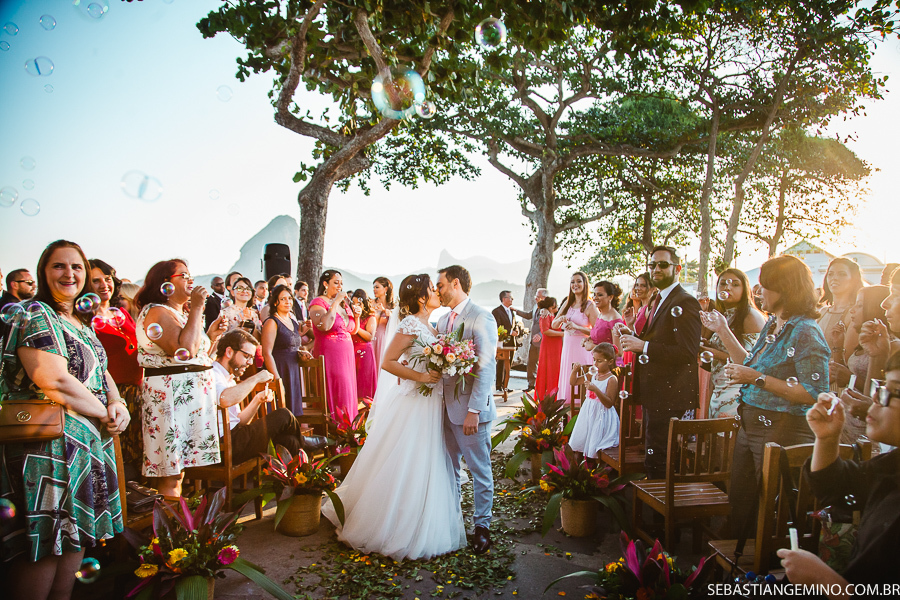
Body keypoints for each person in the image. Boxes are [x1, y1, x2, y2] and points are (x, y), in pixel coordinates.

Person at [0, 240, 128, 600]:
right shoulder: (35, 312)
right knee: (46, 544)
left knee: (74, 537)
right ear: (43, 272)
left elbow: (101, 372)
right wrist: (103, 411)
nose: (69, 273)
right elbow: (52, 379)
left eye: (76, 266)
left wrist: (118, 403)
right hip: (47, 452)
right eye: (59, 266)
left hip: (84, 447)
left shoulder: (81, 322)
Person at [322, 274, 466, 560]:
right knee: (408, 458)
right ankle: (393, 524)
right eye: (432, 289)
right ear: (422, 297)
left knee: (427, 458)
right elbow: (388, 362)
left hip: (432, 403)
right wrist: (421, 377)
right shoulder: (410, 324)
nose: (437, 292)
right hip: (414, 402)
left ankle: (423, 517)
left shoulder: (433, 325)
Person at [709, 254, 829, 538]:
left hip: (780, 429)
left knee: (768, 509)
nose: (758, 291)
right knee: (741, 501)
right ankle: (739, 557)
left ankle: (762, 560)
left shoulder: (805, 331)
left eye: (764, 286)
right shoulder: (774, 324)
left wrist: (756, 379)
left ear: (785, 288)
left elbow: (814, 392)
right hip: (751, 423)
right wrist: (722, 330)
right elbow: (749, 363)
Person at [776, 351, 900, 593]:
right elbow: (835, 487)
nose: (875, 397)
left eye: (893, 391)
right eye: (881, 387)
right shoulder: (893, 464)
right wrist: (827, 438)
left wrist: (823, 579)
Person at [135, 260, 220, 497]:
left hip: (187, 400)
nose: (190, 280)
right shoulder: (157, 311)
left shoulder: (177, 314)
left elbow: (197, 357)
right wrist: (197, 308)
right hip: (170, 400)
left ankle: (177, 517)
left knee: (179, 472)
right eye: (183, 275)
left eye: (190, 274)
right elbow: (184, 350)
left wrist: (212, 336)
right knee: (171, 473)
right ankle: (168, 520)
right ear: (165, 282)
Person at [619, 246, 701, 479]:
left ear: (677, 268)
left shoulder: (685, 301)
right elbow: (658, 339)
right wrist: (633, 336)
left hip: (670, 394)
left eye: (663, 265)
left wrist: (642, 346)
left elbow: (687, 352)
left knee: (661, 459)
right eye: (652, 265)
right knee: (653, 454)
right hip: (654, 392)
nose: (656, 269)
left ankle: (661, 501)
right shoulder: (659, 299)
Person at [436, 265, 498, 554]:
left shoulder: (481, 317)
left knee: (479, 470)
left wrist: (474, 410)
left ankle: (482, 527)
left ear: (455, 284)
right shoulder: (442, 321)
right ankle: (454, 520)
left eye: (440, 285)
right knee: (449, 469)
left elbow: (486, 367)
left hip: (471, 412)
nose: (437, 290)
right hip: (445, 411)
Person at [212, 329, 325, 462]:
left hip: (236, 437)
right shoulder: (213, 373)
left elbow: (240, 421)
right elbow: (224, 399)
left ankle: (299, 471)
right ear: (229, 352)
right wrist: (256, 378)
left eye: (251, 358)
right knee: (283, 415)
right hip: (224, 444)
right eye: (246, 356)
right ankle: (304, 441)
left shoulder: (229, 379)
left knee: (289, 441)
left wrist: (257, 400)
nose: (250, 362)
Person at [89, 258, 145, 480]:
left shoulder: (120, 313)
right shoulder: (87, 318)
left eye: (107, 278)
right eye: (96, 281)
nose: (104, 284)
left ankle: (142, 494)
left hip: (137, 389)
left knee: (140, 449)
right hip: (114, 392)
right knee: (123, 453)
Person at [699, 268, 766, 419]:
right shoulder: (726, 315)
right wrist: (708, 345)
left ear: (745, 289)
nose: (727, 288)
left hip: (736, 391)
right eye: (723, 284)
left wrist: (706, 350)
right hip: (720, 388)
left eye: (735, 284)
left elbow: (748, 361)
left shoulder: (750, 316)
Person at [830, 286, 890, 444]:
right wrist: (837, 346)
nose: (852, 310)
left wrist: (851, 378)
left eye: (860, 305)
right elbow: (842, 380)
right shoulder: (865, 344)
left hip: (864, 431)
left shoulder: (888, 347)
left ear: (874, 308)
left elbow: (877, 396)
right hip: (849, 423)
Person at [309, 270, 359, 420]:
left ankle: (349, 427)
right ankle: (336, 426)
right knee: (339, 388)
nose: (339, 286)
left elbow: (352, 330)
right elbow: (324, 326)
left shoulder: (344, 305)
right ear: (325, 284)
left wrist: (356, 317)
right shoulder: (318, 303)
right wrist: (335, 303)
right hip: (330, 354)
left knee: (348, 389)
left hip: (347, 355)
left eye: (341, 283)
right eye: (336, 283)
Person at [818, 258, 864, 395]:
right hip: (815, 379)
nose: (834, 278)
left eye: (842, 274)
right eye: (831, 274)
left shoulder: (853, 314)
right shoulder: (822, 312)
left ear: (853, 279)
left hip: (836, 386)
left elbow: (848, 361)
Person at [261, 284, 307, 416]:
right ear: (275, 302)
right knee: (280, 412)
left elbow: (293, 346)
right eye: (283, 299)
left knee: (293, 413)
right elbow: (267, 353)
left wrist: (302, 353)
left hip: (293, 370)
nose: (288, 302)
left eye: (289, 298)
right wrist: (277, 380)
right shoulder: (272, 322)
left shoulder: (292, 322)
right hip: (279, 369)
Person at [553, 272, 599, 403]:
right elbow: (553, 324)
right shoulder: (568, 303)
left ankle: (580, 409)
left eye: (579, 281)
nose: (575, 284)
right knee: (568, 376)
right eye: (572, 282)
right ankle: (566, 410)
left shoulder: (590, 305)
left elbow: (596, 332)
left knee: (579, 378)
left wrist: (577, 327)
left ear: (585, 284)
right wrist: (560, 319)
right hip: (568, 348)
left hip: (582, 347)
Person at [568, 343, 620, 460]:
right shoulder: (593, 374)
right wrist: (575, 371)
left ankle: (595, 463)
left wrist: (595, 389)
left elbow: (609, 403)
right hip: (588, 411)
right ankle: (583, 463)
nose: (595, 364)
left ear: (610, 362)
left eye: (599, 361)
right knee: (584, 437)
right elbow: (574, 382)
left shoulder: (611, 379)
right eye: (594, 360)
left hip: (602, 415)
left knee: (595, 440)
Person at [492, 290, 529, 392]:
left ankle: (505, 386)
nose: (512, 299)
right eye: (510, 297)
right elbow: (497, 326)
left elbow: (513, 324)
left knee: (509, 365)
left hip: (512, 343)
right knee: (500, 364)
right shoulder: (496, 311)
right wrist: (510, 332)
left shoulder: (511, 311)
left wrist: (517, 330)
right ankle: (499, 386)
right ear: (504, 299)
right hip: (502, 343)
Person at [350, 288, 378, 402]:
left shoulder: (370, 317)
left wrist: (356, 327)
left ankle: (364, 409)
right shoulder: (349, 316)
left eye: (359, 303)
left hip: (364, 352)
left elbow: (370, 336)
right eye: (353, 303)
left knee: (364, 382)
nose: (355, 306)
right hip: (351, 351)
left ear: (364, 304)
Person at [534, 296, 564, 399]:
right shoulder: (545, 315)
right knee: (549, 368)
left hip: (556, 344)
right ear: (552, 306)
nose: (558, 306)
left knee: (555, 369)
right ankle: (547, 396)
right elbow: (545, 331)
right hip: (549, 345)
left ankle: (554, 394)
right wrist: (562, 334)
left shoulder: (552, 314)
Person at [0, 268, 36, 341]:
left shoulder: (23, 306)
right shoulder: (9, 309)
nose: (34, 286)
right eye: (29, 282)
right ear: (15, 285)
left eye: (34, 282)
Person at [525, 287, 548, 393]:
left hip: (542, 341)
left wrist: (540, 335)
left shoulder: (548, 309)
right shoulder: (535, 306)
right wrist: (516, 311)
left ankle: (542, 385)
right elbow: (529, 315)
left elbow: (549, 325)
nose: (536, 298)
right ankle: (531, 384)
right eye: (536, 296)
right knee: (531, 362)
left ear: (544, 297)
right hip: (533, 341)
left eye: (538, 297)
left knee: (542, 364)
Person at [589, 281, 625, 348]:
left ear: (610, 297)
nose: (595, 298)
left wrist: (593, 347)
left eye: (600, 295)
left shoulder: (615, 320)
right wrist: (588, 340)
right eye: (594, 295)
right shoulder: (601, 315)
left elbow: (618, 351)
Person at [372, 276, 395, 368]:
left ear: (385, 288)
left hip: (386, 339)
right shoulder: (371, 303)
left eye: (377, 287)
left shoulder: (393, 306)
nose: (374, 290)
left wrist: (385, 311)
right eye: (373, 287)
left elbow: (396, 321)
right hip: (372, 337)